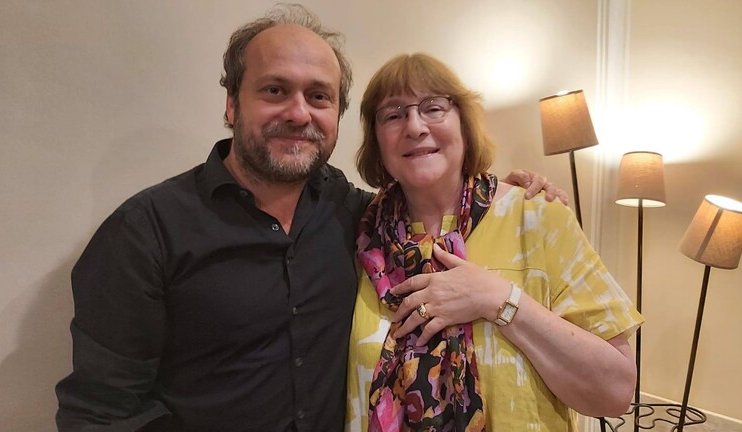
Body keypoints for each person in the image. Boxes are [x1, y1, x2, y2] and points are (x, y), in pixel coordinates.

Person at [54, 5, 564, 432]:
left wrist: (504, 193)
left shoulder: (361, 217)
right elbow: (102, 413)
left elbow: (431, 204)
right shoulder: (146, 232)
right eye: (274, 90)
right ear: (231, 104)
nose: (299, 113)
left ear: (336, 114)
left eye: (318, 96)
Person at [346, 53, 644, 432]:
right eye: (393, 115)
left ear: (464, 123)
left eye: (433, 108)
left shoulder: (538, 217)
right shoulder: (361, 234)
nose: (415, 126)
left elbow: (615, 392)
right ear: (376, 139)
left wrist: (500, 300)